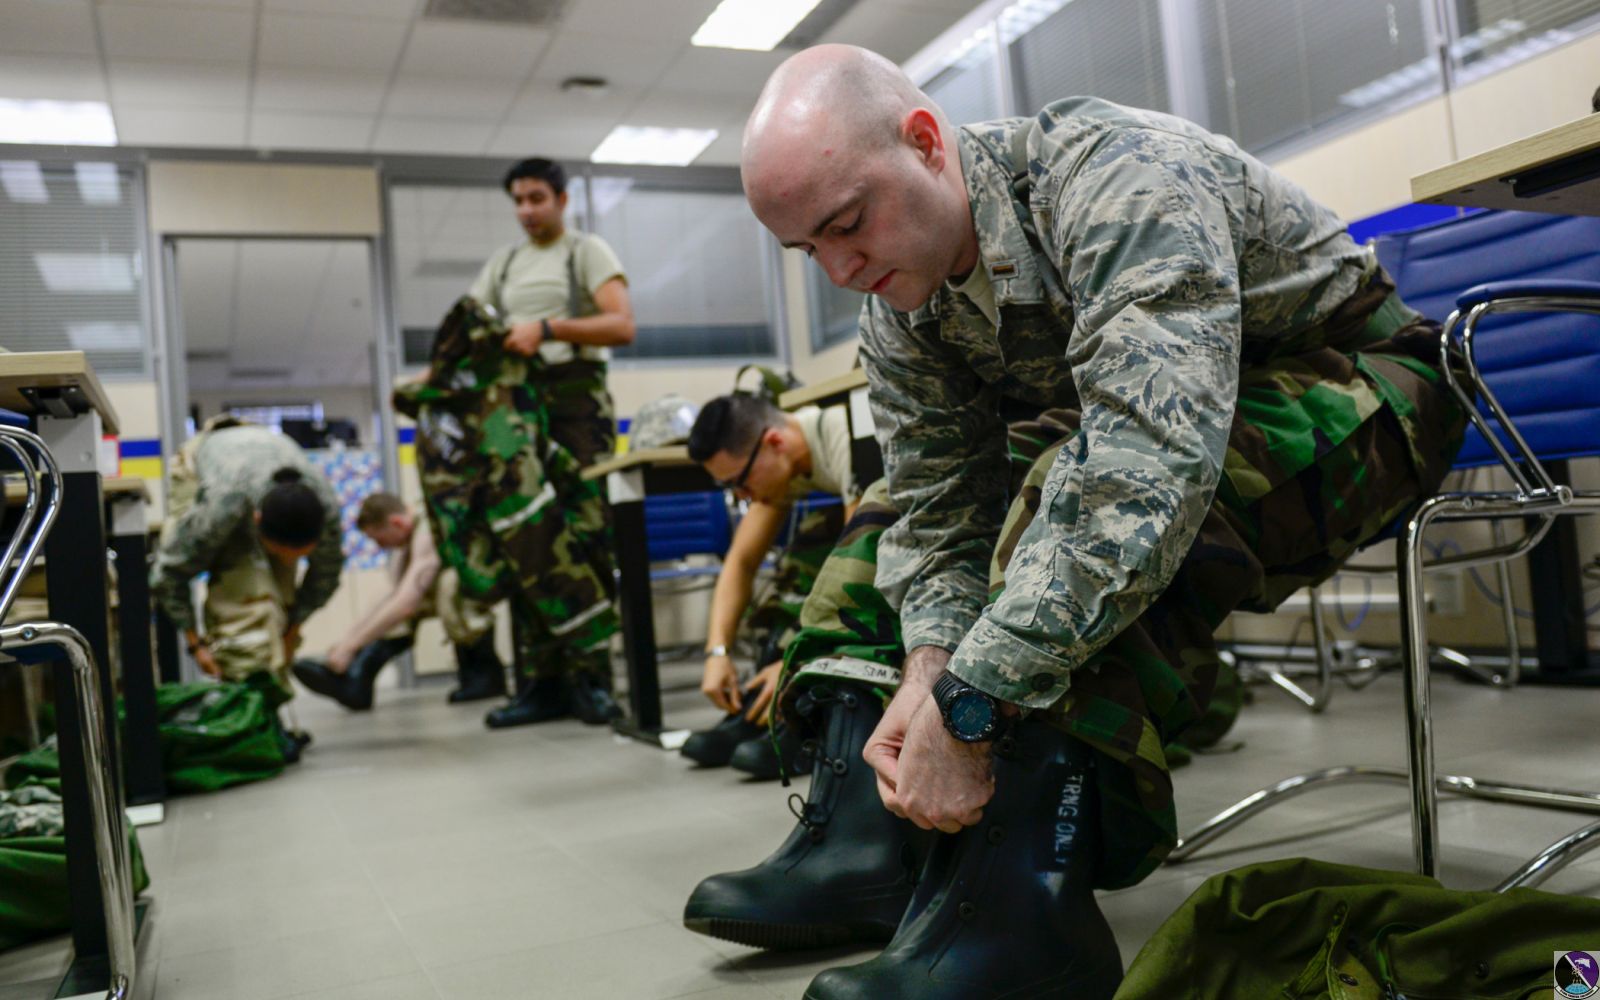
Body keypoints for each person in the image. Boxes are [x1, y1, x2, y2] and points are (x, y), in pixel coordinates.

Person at [683, 45, 1469, 998]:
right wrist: (928, 667)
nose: (842, 269)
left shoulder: (1115, 177)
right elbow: (936, 510)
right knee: (885, 509)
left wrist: (971, 707)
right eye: (809, 250)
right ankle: (871, 832)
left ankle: (1023, 905)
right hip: (1160, 417)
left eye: (848, 223)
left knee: (1081, 513)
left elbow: (1146, 472)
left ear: (927, 143)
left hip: (1369, 382)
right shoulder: (899, 304)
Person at [465, 157, 636, 728]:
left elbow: (621, 325)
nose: (526, 210)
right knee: (524, 537)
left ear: (562, 200)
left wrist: (547, 328)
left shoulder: (585, 252)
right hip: (516, 407)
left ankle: (592, 680)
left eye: (536, 197)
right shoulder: (505, 264)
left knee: (584, 534)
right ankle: (539, 684)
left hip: (575, 404)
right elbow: (472, 326)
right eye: (517, 200)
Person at [680, 393, 860, 776]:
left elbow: (860, 569)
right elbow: (741, 562)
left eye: (740, 483)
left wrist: (800, 662)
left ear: (774, 442)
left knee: (827, 555)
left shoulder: (849, 440)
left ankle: (810, 711)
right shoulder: (781, 462)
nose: (742, 497)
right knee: (801, 567)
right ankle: (760, 710)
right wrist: (717, 653)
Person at [150, 416, 346, 762]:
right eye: (279, 553)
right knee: (245, 602)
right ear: (257, 524)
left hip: (259, 466)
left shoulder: (324, 509)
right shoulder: (221, 509)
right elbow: (169, 573)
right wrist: (195, 643)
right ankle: (248, 721)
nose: (289, 561)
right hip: (203, 462)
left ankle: (270, 709)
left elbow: (324, 577)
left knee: (278, 601)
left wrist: (293, 627)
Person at [291, 492, 504, 711]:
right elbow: (392, 596)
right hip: (472, 579)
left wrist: (349, 647)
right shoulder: (408, 538)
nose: (381, 546)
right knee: (391, 605)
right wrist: (346, 643)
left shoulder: (426, 530)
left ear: (397, 523)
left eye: (379, 539)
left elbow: (406, 603)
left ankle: (485, 674)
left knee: (448, 586)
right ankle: (358, 679)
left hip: (491, 574)